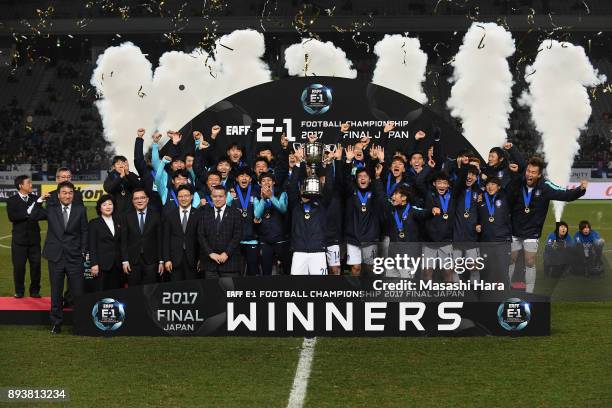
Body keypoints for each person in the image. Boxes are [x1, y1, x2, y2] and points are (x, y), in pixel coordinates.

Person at [507, 157, 587, 293]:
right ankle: (506, 290)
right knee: (510, 260)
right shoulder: (518, 181)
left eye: (533, 172)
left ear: (539, 175)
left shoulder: (545, 187)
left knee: (530, 262)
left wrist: (580, 189)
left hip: (532, 232)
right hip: (514, 229)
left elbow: (565, 194)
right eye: (528, 171)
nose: (529, 174)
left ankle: (529, 293)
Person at [31, 181, 88, 334]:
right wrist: (39, 200)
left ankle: (79, 323)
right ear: (58, 195)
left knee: (77, 293)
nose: (67, 195)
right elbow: (33, 215)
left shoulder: (80, 209)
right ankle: (56, 323)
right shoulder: (51, 208)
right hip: (55, 257)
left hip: (74, 257)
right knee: (56, 292)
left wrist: (82, 251)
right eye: (64, 193)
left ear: (73, 194)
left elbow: (84, 232)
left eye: (70, 193)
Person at [6, 175, 41, 298]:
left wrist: (31, 213)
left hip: (34, 240)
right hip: (19, 241)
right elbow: (12, 217)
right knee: (19, 268)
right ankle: (19, 291)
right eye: (29, 183)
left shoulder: (36, 198)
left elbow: (39, 214)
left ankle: (35, 291)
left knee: (36, 267)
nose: (31, 185)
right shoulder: (11, 200)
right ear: (21, 185)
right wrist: (28, 213)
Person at [197, 185, 243, 278]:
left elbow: (238, 235)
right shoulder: (204, 213)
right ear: (211, 197)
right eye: (215, 196)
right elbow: (200, 235)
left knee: (229, 292)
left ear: (226, 197)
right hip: (210, 264)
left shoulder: (236, 213)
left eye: (220, 196)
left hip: (230, 263)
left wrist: (226, 253)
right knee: (211, 292)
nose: (217, 199)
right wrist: (210, 253)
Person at [120, 188, 164, 286]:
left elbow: (160, 240)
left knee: (151, 292)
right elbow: (124, 241)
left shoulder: (156, 216)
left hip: (152, 261)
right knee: (134, 292)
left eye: (142, 198)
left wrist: (161, 261)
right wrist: (125, 260)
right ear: (132, 201)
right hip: (132, 261)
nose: (139, 201)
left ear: (147, 199)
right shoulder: (126, 217)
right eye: (136, 199)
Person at [476, 177, 512, 288]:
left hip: (502, 242)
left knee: (502, 273)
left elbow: (513, 183)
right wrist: (477, 224)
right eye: (488, 184)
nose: (490, 186)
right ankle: (487, 299)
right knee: (487, 273)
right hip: (486, 242)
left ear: (499, 187)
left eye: (493, 184)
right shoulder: (480, 200)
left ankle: (505, 298)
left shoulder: (505, 197)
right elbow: (477, 217)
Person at [253, 172, 291, 275]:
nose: (266, 182)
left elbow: (283, 209)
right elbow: (257, 215)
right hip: (265, 240)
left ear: (273, 182)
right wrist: (263, 199)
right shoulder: (256, 196)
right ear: (260, 183)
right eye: (263, 181)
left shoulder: (281, 193)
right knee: (266, 272)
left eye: (269, 180)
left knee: (286, 270)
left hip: (280, 239)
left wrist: (272, 197)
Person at [162, 185, 200, 281]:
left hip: (193, 259)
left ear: (191, 197)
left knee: (192, 289)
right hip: (174, 260)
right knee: (176, 288)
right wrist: (167, 259)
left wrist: (201, 259)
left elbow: (201, 239)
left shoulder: (199, 215)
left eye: (186, 196)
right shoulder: (170, 215)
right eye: (180, 196)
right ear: (177, 197)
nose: (183, 199)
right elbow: (166, 239)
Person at [88, 194, 123, 291]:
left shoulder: (119, 221)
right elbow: (92, 245)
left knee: (117, 292)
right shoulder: (94, 223)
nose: (108, 207)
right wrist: (94, 263)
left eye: (110, 204)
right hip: (102, 265)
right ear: (99, 207)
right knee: (101, 292)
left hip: (117, 264)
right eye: (104, 204)